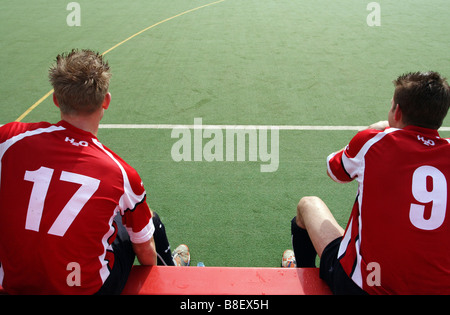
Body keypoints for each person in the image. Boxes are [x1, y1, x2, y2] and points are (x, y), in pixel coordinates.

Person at [0, 49, 190, 295]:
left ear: (56, 99)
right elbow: (145, 254)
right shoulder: (122, 174)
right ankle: (172, 272)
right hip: (87, 290)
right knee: (147, 221)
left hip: (14, 284)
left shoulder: (9, 138)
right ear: (106, 101)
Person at [283, 71, 450, 294]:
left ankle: (303, 275)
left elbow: (335, 171)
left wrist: (372, 130)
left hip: (365, 287)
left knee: (308, 205)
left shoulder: (373, 142)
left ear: (396, 111)